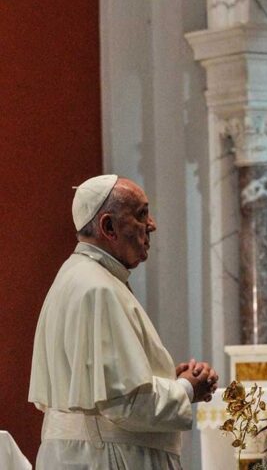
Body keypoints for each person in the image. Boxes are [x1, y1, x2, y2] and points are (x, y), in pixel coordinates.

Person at [29, 175, 218, 469]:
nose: (151, 224)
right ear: (108, 227)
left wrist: (166, 378)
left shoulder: (76, 276)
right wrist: (186, 388)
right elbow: (125, 403)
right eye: (141, 214)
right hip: (108, 458)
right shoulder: (97, 288)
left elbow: (105, 387)